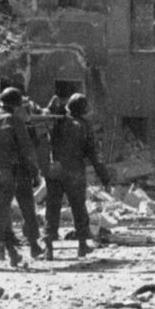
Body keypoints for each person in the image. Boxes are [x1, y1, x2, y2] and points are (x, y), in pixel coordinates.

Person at [0, 84, 44, 267]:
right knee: (14, 211)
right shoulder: (15, 121)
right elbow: (26, 150)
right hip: (11, 171)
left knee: (1, 213)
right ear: (17, 105)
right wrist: (35, 173)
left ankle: (12, 252)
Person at [42, 93, 111, 257]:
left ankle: (48, 248)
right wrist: (105, 179)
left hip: (54, 171)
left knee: (52, 209)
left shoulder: (57, 121)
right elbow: (95, 155)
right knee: (79, 208)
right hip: (74, 172)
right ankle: (82, 245)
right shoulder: (84, 126)